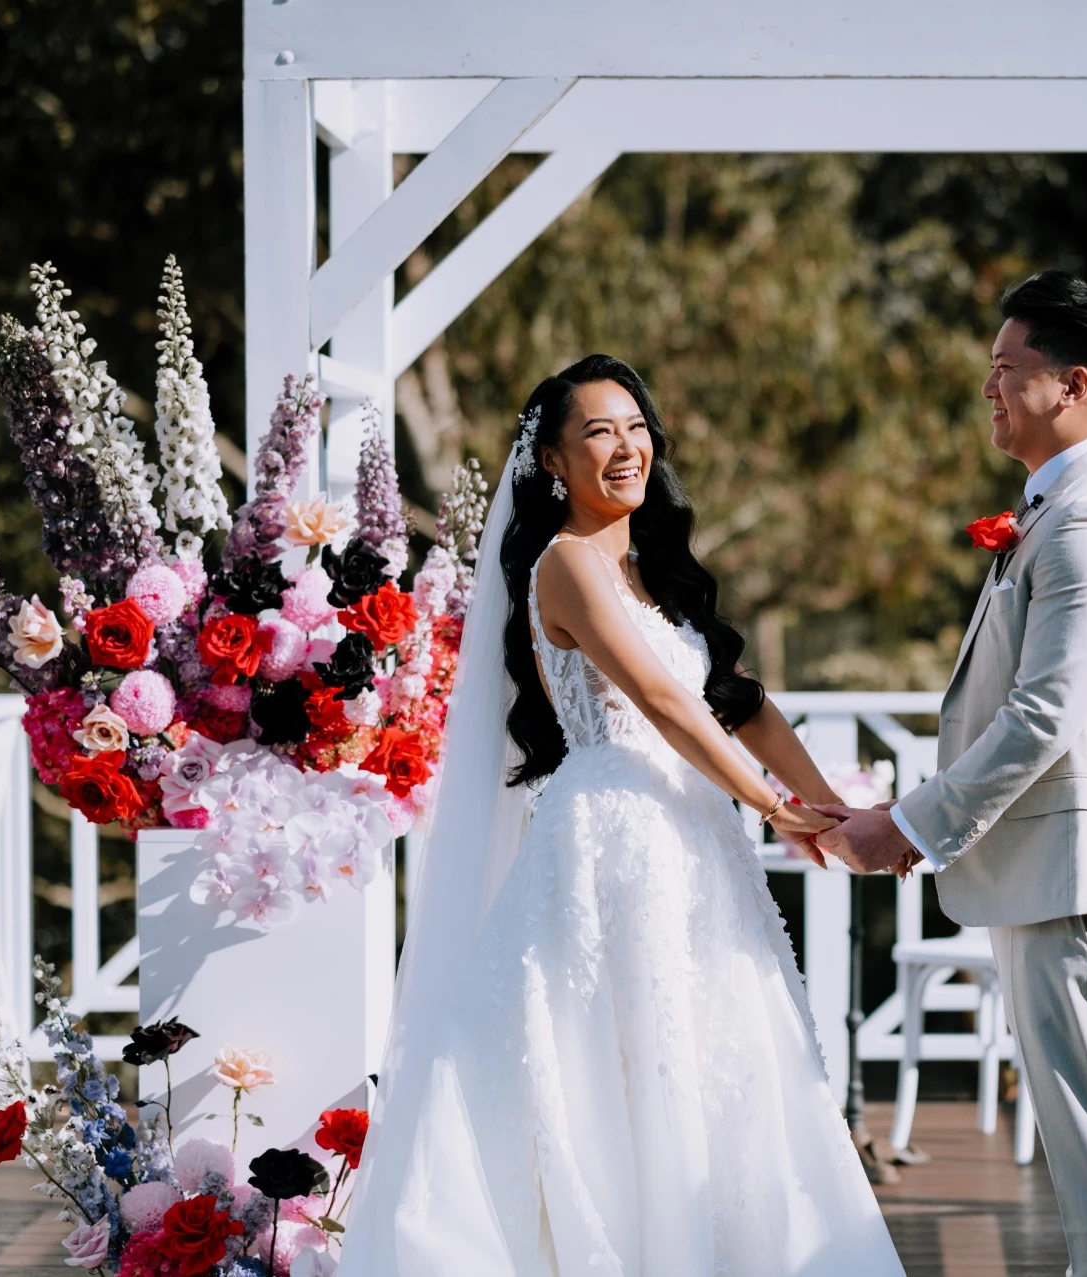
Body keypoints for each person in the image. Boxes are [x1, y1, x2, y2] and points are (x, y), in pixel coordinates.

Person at [338, 355, 905, 1276]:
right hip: (614, 842)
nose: (626, 447)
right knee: (616, 1073)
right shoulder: (564, 564)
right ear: (554, 462)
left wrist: (833, 810)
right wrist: (775, 807)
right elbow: (659, 701)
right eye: (598, 432)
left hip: (695, 842)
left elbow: (735, 701)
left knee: (721, 1063)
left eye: (636, 427)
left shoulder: (652, 572)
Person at [816, 271, 1087, 1277]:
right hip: (1056, 866)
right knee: (1083, 1146)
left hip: (1079, 868)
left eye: (1005, 371)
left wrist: (913, 822)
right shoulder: (1065, 502)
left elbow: (1046, 715)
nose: (989, 390)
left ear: (1071, 384)